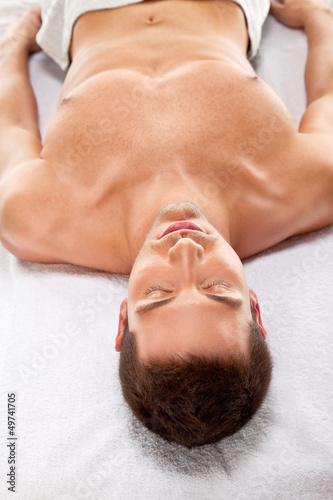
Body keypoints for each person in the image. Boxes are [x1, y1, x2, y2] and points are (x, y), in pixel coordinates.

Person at [0, 0, 332, 447]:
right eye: (218, 289)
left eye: (158, 293)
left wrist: (15, 44)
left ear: (123, 321)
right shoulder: (302, 189)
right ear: (254, 307)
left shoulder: (35, 217)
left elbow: (13, 127)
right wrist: (317, 18)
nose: (186, 253)